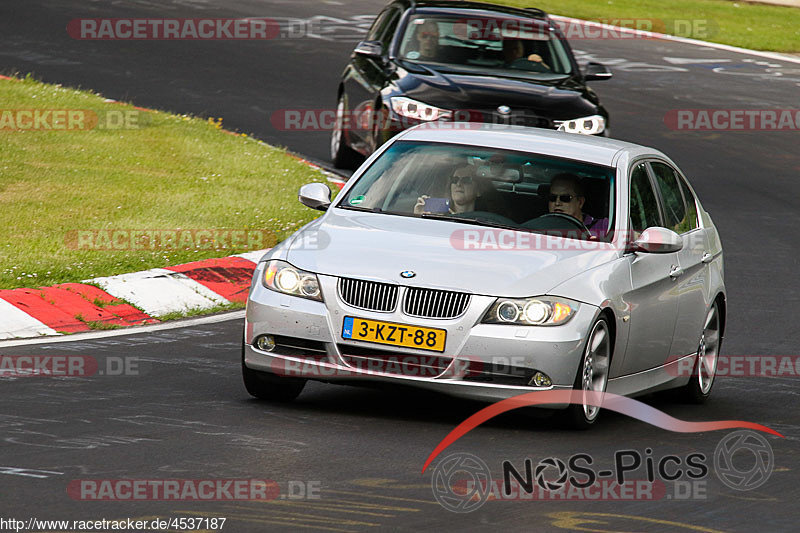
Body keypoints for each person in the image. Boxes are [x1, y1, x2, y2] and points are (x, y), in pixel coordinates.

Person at [547, 173, 609, 238]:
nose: (557, 203)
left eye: (565, 198)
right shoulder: (540, 224)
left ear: (580, 202)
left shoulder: (603, 226)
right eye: (552, 198)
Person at [414, 165, 481, 215]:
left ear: (479, 190)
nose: (458, 184)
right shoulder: (436, 213)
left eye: (466, 180)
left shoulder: (485, 220)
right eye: (455, 180)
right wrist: (419, 216)